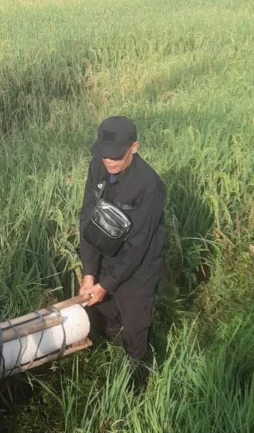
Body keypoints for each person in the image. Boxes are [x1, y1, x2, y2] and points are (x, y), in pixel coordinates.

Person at [78, 116, 166, 377]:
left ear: (135, 147)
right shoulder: (98, 166)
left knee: (135, 326)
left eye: (115, 156)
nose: (109, 161)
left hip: (140, 265)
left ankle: (138, 387)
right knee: (104, 315)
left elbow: (138, 245)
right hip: (107, 253)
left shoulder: (150, 187)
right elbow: (87, 217)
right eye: (104, 155)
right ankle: (109, 359)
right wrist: (89, 273)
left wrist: (106, 285)